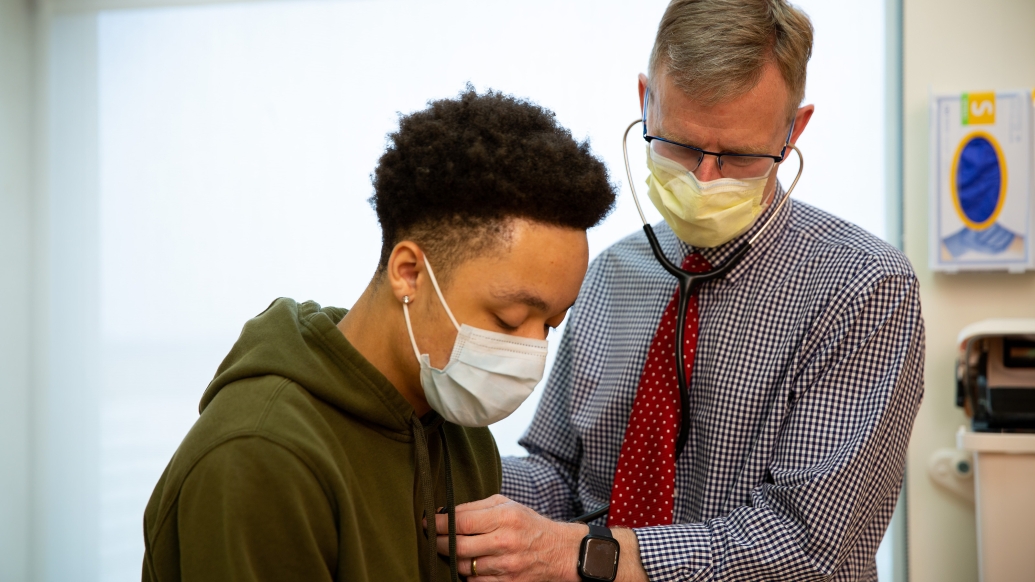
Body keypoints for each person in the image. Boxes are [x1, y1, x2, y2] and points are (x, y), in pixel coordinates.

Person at [431, 2, 925, 580]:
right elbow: (562, 474)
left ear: (794, 130)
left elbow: (804, 542)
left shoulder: (865, 288)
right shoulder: (611, 271)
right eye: (681, 145)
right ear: (646, 100)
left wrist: (585, 555)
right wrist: (437, 467)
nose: (703, 179)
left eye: (739, 155)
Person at [140, 87, 616, 582]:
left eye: (552, 325)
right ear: (408, 273)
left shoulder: (461, 432)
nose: (531, 351)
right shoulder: (260, 458)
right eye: (509, 319)